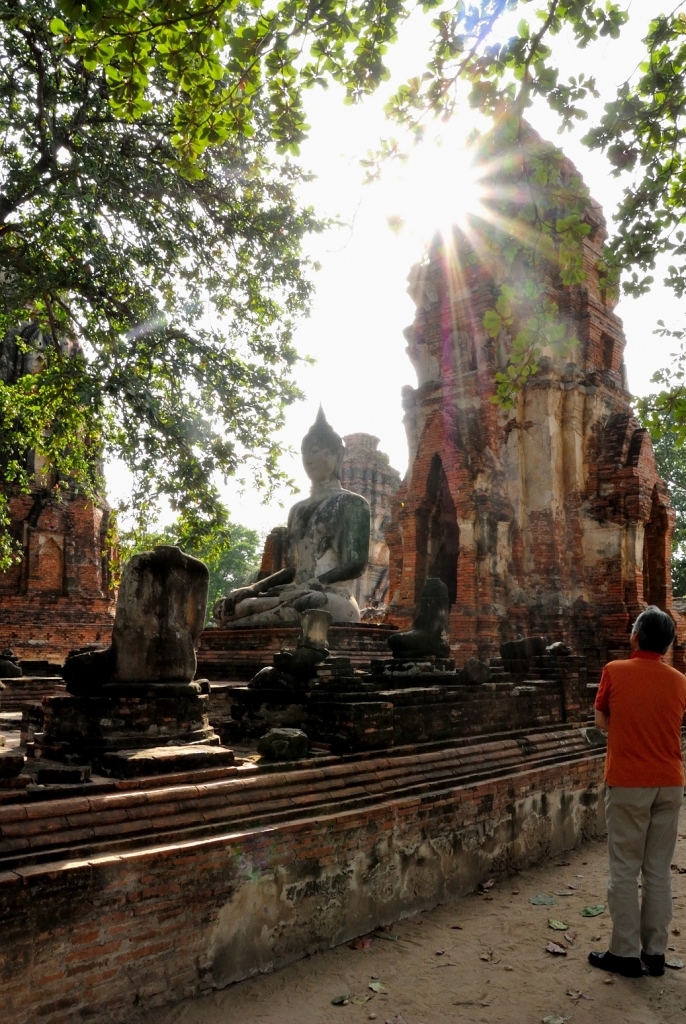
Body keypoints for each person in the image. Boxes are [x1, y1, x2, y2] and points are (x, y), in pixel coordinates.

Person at [590, 605, 686, 978]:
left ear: (634, 637)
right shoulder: (680, 680)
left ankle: (626, 954)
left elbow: (601, 719)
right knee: (658, 871)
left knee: (625, 870)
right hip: (671, 783)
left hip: (628, 781)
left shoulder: (615, 671)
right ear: (668, 644)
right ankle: (656, 953)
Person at [213, 408, 371, 628]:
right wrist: (252, 589)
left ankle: (243, 625)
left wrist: (312, 584)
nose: (309, 458)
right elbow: (292, 569)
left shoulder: (352, 504)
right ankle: (244, 621)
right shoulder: (297, 509)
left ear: (338, 456)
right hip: (294, 594)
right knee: (224, 608)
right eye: (304, 452)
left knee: (309, 603)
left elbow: (357, 564)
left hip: (332, 597)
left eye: (316, 450)